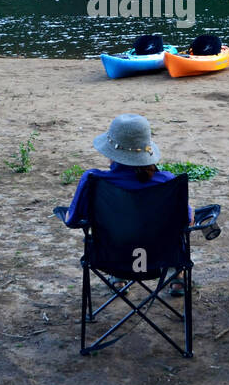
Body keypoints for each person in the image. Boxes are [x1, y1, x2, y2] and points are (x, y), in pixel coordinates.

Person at [64, 114, 194, 295]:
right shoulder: (167, 181)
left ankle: (118, 277)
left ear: (111, 150)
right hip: (159, 258)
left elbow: (71, 221)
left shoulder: (94, 180)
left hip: (112, 258)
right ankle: (176, 276)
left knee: (119, 229)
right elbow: (186, 221)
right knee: (170, 231)